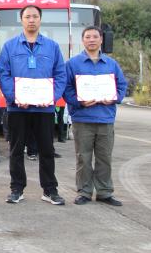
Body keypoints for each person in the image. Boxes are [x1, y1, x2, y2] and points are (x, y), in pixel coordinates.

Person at [0, 5, 66, 205]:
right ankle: (17, 189)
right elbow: (3, 73)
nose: (31, 20)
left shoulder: (52, 47)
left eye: (35, 16)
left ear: (40, 20)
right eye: (27, 17)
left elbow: (60, 74)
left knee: (47, 150)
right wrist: (15, 97)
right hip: (18, 108)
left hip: (44, 109)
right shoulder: (10, 46)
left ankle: (50, 190)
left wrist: (51, 97)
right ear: (22, 20)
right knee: (16, 150)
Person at [64, 25, 127, 206]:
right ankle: (84, 191)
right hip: (82, 118)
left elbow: (122, 85)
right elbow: (66, 88)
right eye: (88, 37)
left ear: (101, 40)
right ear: (82, 40)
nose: (91, 40)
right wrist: (79, 101)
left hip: (105, 118)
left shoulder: (111, 64)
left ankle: (104, 192)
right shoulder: (72, 64)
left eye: (95, 37)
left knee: (104, 158)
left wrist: (114, 98)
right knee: (83, 158)